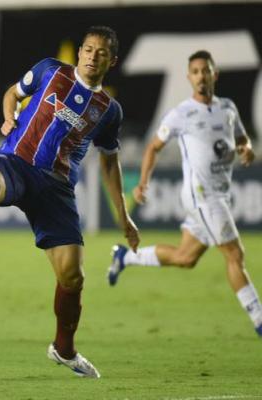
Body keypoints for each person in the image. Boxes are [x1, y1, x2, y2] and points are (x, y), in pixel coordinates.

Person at [0, 26, 140, 378]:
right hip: (17, 161)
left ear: (112, 61)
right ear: (79, 51)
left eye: (102, 53)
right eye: (89, 49)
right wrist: (8, 116)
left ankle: (64, 350)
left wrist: (123, 216)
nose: (93, 56)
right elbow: (12, 93)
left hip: (56, 188)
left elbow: (110, 162)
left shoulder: (109, 111)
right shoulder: (51, 70)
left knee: (72, 276)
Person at [107, 50, 262, 336]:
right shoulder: (182, 113)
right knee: (234, 255)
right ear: (189, 77)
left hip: (219, 194)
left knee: (185, 258)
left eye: (206, 70)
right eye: (195, 71)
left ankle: (124, 257)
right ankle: (259, 319)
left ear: (215, 74)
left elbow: (241, 138)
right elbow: (154, 146)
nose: (201, 76)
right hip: (203, 196)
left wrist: (246, 148)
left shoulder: (227, 108)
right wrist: (143, 182)